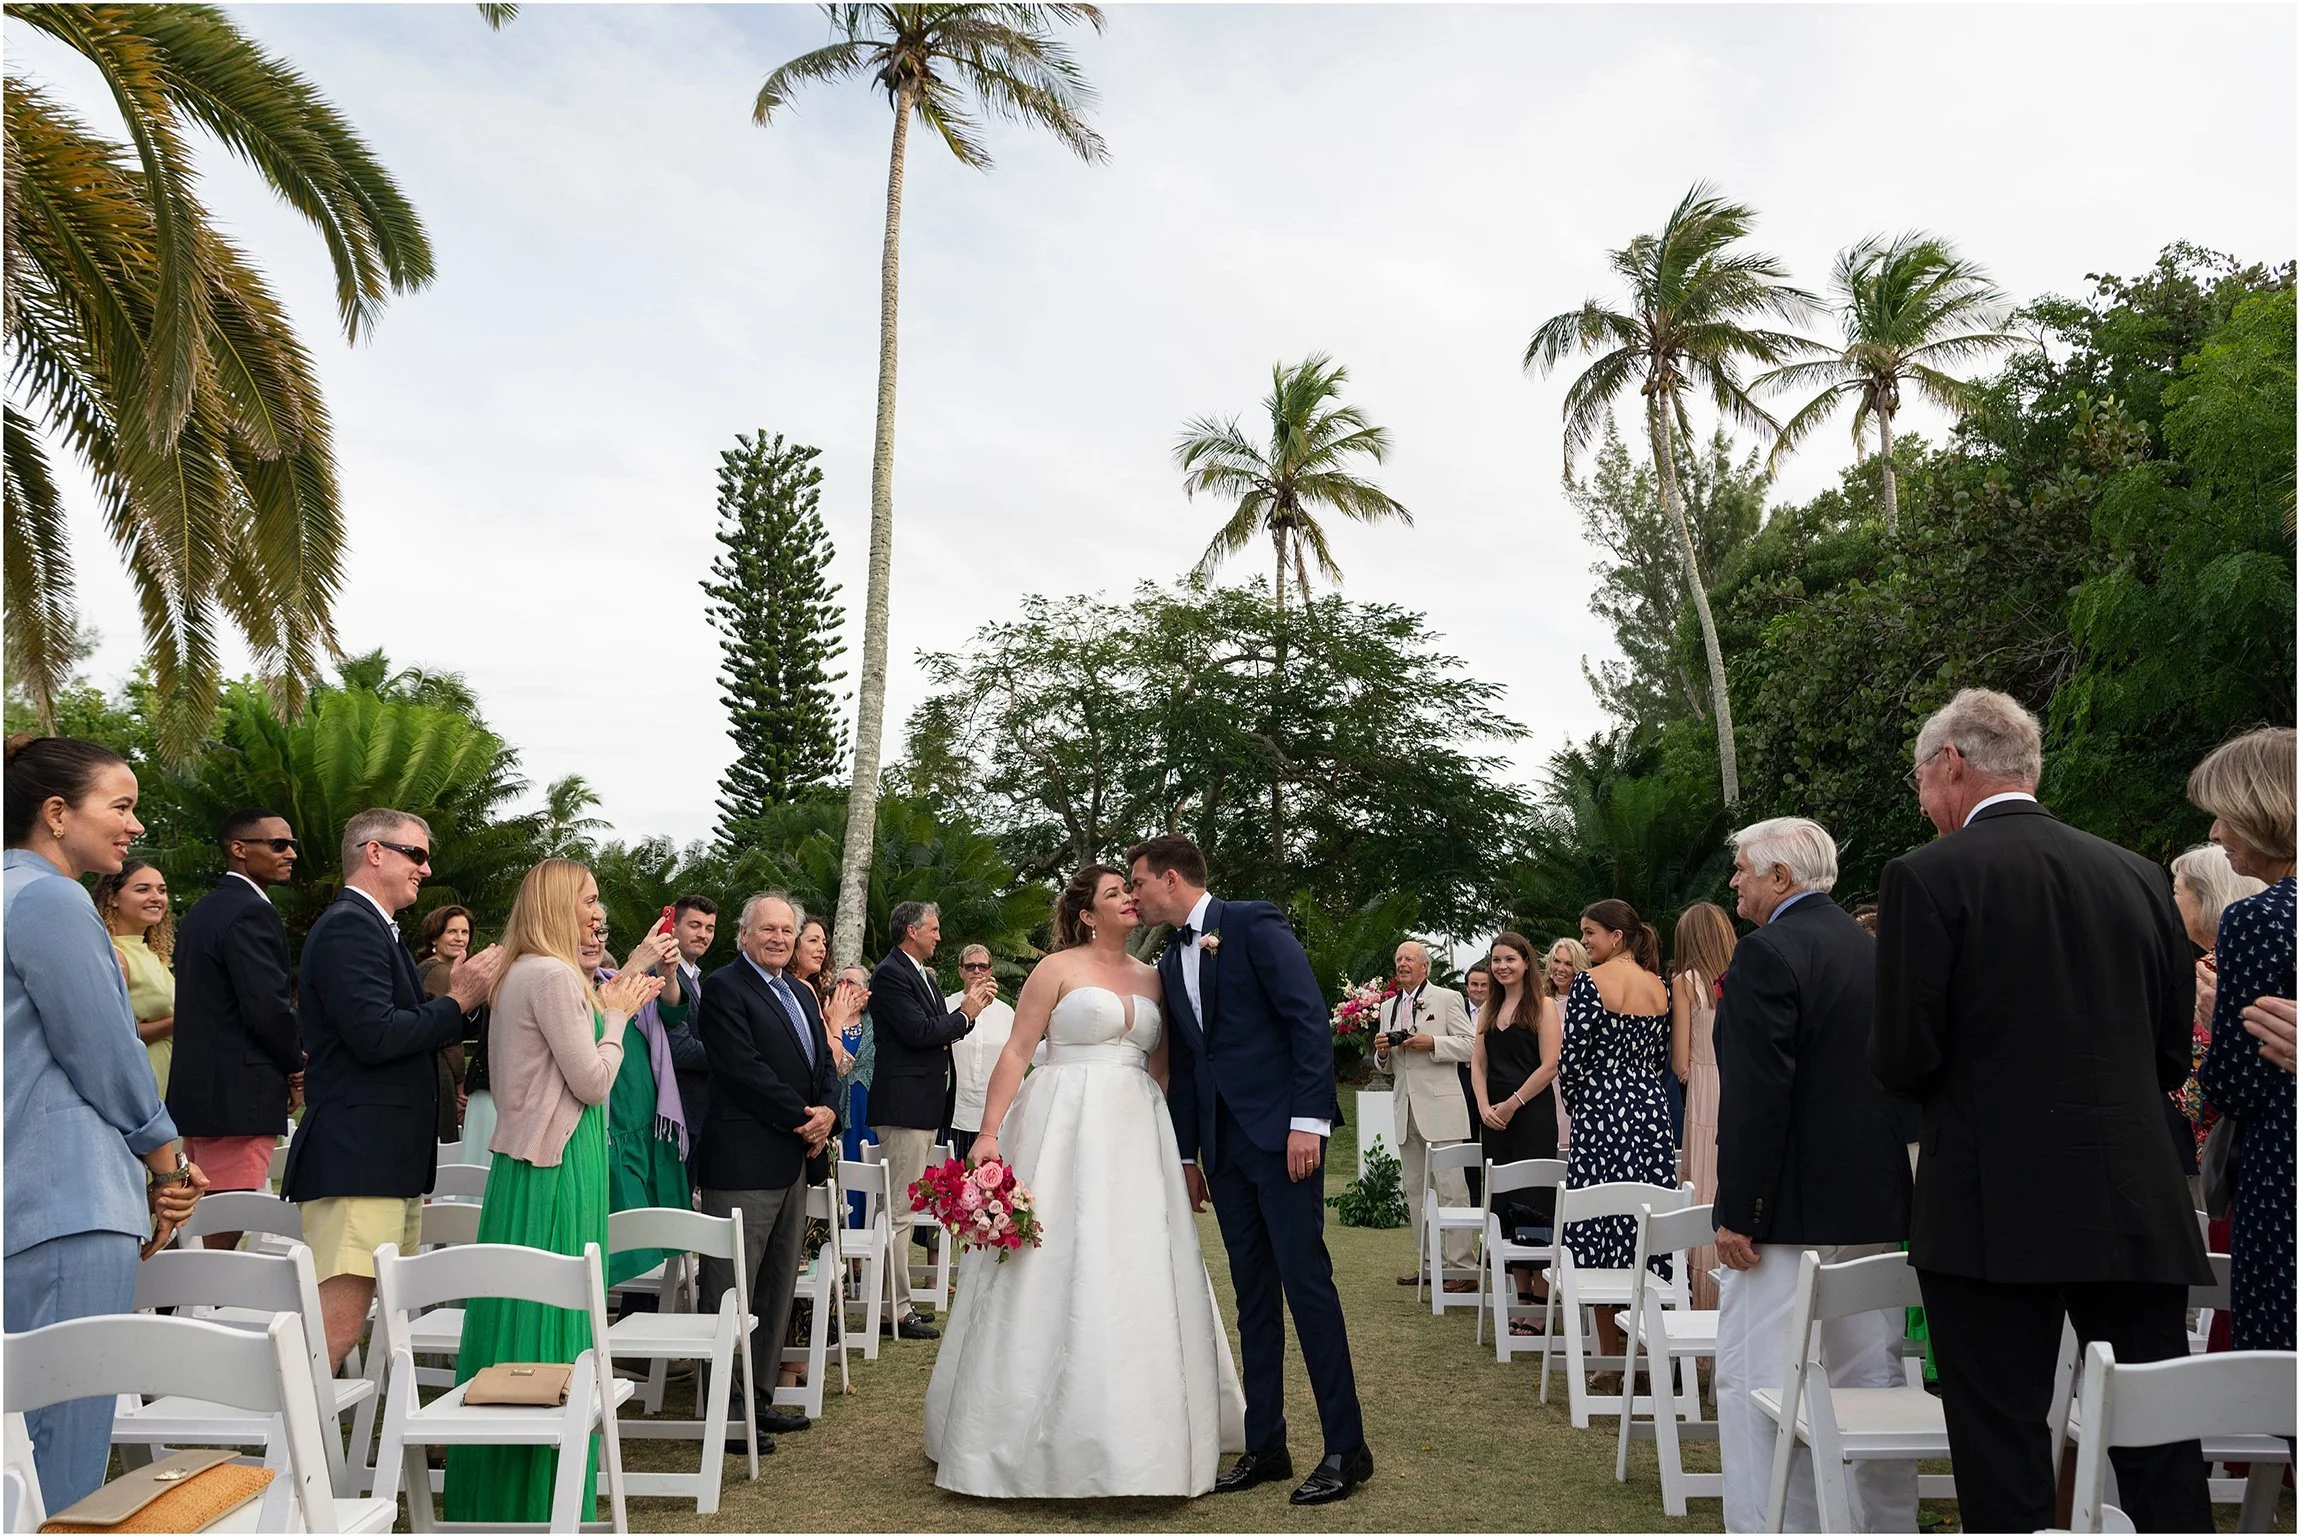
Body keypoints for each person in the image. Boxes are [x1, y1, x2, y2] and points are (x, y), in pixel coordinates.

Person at [1873, 688, 2209, 1534]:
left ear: (1952, 761)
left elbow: (1905, 1057)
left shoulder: (1925, 875)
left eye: (1920, 777)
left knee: (2002, 1445)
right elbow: (2171, 1053)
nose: (1921, 798)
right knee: (2160, 1443)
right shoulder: (2136, 874)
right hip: (2133, 1197)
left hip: (1992, 1203)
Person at [925, 865, 1246, 1496]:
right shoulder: (1055, 969)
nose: (1130, 898)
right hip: (1060, 1125)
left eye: (1131, 890)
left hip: (1137, 1134)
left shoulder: (1156, 978)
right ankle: (1009, 1438)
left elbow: (1163, 1071)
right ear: (1086, 914)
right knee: (1050, 1261)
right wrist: (989, 1132)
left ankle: (1149, 1437)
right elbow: (1018, 1049)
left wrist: (1180, 1153)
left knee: (1136, 1264)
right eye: (1114, 894)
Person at [1128, 835, 1370, 1506]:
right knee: (1253, 1295)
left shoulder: (1252, 921)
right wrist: (1187, 1154)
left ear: (1170, 878)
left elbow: (1306, 1022)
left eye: (1139, 881)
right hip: (1224, 1152)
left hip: (1283, 1138)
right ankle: (1266, 1444)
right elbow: (1186, 1064)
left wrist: (1308, 1122)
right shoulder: (1172, 957)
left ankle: (1347, 1449)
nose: (1133, 893)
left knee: (1307, 1286)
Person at [4, 735, 208, 1508]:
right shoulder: (51, 899)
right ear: (57, 813)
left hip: (23, 1196)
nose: (136, 824)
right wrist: (167, 1162)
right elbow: (104, 1050)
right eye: (120, 805)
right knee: (62, 1449)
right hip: (66, 1202)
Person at [1712, 817, 1915, 1533]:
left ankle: (1773, 1525)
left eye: (1742, 868)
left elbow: (1757, 1095)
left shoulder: (1768, 953)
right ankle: (1884, 1523)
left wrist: (1739, 1207)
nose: (1733, 880)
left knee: (1758, 1378)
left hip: (1786, 1214)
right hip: (1874, 1204)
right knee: (1875, 1378)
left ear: (1780, 876)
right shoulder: (1872, 951)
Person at [442, 859, 661, 1523]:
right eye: (587, 900)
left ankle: (507, 1494)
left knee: (517, 1316)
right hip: (560, 1166)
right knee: (553, 1321)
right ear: (557, 905)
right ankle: (543, 1499)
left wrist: (615, 995)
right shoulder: (555, 974)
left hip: (530, 1164)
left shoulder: (521, 973)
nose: (598, 912)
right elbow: (593, 1080)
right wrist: (620, 1018)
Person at [283, 808, 501, 1370]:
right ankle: (285, 1456)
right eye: (417, 854)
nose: (426, 870)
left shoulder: (374, 927)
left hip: (385, 1160)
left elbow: (403, 1025)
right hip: (360, 1157)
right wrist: (459, 1001)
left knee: (370, 1317)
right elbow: (376, 1036)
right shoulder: (349, 926)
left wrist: (463, 1007)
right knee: (333, 1332)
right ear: (374, 852)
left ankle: (322, 1453)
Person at [694, 892, 838, 1447]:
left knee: (778, 1285)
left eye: (787, 930)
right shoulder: (725, 989)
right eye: (767, 929)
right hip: (744, 1160)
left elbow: (822, 1062)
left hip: (795, 1161)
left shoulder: (801, 991)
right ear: (743, 934)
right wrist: (804, 1118)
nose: (779, 938)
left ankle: (757, 1399)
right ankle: (724, 1412)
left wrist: (827, 1109)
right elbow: (743, 1070)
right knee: (732, 1288)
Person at [2188, 726, 2295, 1355]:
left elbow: (2234, 1084)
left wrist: (2213, 1017)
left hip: (2281, 1178)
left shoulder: (2258, 918)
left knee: (2280, 1376)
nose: (2216, 833)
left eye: (2224, 814)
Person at [169, 808, 303, 1249]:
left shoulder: (205, 910)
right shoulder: (249, 912)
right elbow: (266, 1007)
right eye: (278, 844)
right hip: (238, 1091)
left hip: (201, 1087)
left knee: (196, 1211)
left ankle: (178, 1305)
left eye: (292, 845)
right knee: (227, 1210)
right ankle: (197, 1308)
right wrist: (295, 1063)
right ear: (239, 849)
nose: (291, 854)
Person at [869, 900, 997, 1340]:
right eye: (934, 929)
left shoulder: (920, 974)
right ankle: (894, 1310)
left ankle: (899, 1304)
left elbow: (937, 1029)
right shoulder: (890, 974)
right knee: (900, 1213)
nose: (939, 937)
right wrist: (967, 1013)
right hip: (903, 1106)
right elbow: (921, 1033)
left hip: (922, 1106)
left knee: (905, 1210)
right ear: (911, 930)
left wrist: (964, 1016)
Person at [1560, 898, 1675, 1373]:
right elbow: (1661, 1058)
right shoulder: (1659, 987)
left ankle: (1609, 1358)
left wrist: (1579, 1105)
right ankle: (1644, 1351)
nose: (1585, 942)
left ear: (1617, 936)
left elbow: (1572, 1060)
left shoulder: (1591, 983)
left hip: (1603, 1107)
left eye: (1590, 933)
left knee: (1600, 1223)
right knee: (1643, 1220)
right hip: (1650, 1109)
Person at [1471, 930, 1561, 1331]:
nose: (1502, 966)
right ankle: (1520, 1295)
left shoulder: (1543, 1006)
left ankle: (1541, 1303)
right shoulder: (1487, 1010)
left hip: (1531, 1115)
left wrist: (1512, 1104)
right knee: (1504, 1202)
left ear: (1526, 962)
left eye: (1510, 959)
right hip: (1493, 1120)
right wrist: (1484, 1107)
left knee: (1534, 1201)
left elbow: (1550, 1065)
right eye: (1496, 960)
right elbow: (1478, 1065)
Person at [1374, 939, 1476, 1289]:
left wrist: (1430, 1043)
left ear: (1424, 967)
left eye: (1409, 959)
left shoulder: (1447, 998)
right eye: (1398, 958)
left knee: (1452, 1189)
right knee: (1415, 1191)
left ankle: (1462, 1268)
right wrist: (1383, 1053)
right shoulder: (1388, 1007)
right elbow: (1387, 1067)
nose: (1402, 963)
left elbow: (1471, 1044)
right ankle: (1428, 1265)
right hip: (1406, 1109)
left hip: (1442, 1108)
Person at [2169, 844, 2263, 1204]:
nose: (2171, 904)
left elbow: (2199, 1100)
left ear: (2206, 899)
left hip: (2232, 1164)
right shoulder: (2260, 959)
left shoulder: (2206, 977)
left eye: (2177, 892)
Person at [602, 928, 691, 1287]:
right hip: (613, 1122)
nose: (595, 942)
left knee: (654, 1230)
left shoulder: (614, 979)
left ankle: (644, 1307)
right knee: (624, 1232)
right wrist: (635, 963)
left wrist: (667, 975)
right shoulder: (592, 990)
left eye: (601, 934)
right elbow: (594, 1017)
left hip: (647, 1117)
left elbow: (671, 1014)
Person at [1669, 901, 1735, 1310]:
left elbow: (1679, 1060)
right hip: (1737, 1084)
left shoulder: (1685, 982)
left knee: (1703, 1195)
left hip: (1703, 1092)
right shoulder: (1740, 974)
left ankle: (1703, 1314)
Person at [653, 894, 719, 1193]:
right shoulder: (662, 975)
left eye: (709, 928)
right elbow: (678, 1049)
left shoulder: (696, 980)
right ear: (674, 926)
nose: (703, 934)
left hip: (698, 1113)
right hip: (673, 1114)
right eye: (695, 925)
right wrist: (730, 1055)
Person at [95, 859, 176, 1097]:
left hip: (168, 1085)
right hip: (135, 1088)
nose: (156, 897)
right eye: (143, 889)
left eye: (162, 890)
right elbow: (110, 1035)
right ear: (112, 898)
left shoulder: (155, 955)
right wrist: (180, 1021)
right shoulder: (113, 955)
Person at [415, 905, 481, 1145]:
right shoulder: (439, 973)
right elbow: (449, 1036)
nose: (460, 938)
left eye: (465, 932)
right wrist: (461, 1081)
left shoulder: (425, 968)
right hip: (437, 1070)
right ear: (435, 936)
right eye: (452, 932)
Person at [945, 944, 1017, 1160]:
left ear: (990, 972)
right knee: (951, 1180)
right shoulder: (947, 1007)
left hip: (996, 1115)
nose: (976, 971)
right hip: (955, 1111)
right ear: (960, 971)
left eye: (982, 967)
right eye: (970, 966)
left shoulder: (1006, 1013)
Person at [1546, 937, 1591, 1150]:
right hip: (1543, 1087)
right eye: (1557, 961)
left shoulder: (1587, 1004)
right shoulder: (1539, 1001)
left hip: (1574, 1086)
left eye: (1568, 963)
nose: (1561, 969)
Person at [1458, 960, 1493, 1195]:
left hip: (1491, 1086)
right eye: (1474, 985)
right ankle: (1471, 1200)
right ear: (1466, 986)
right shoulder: (1456, 1009)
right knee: (1467, 1147)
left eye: (1483, 985)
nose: (1478, 990)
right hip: (1462, 1085)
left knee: (1491, 1147)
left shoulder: (1499, 1009)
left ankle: (1493, 1201)